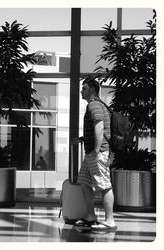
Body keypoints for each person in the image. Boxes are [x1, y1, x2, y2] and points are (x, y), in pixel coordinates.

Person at [73, 77, 117, 231]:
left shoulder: (95, 105)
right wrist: (84, 139)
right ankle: (90, 217)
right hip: (92, 152)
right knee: (84, 182)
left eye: (84, 88)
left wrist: (96, 151)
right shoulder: (94, 105)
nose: (81, 91)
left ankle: (110, 220)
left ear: (92, 89)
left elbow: (99, 128)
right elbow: (96, 130)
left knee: (104, 185)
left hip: (98, 153)